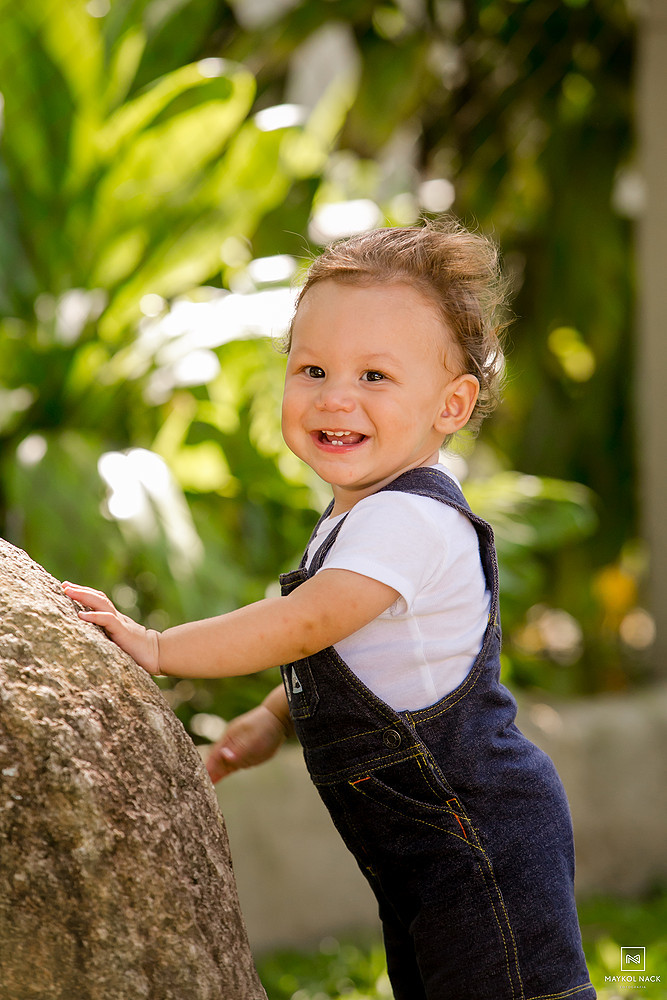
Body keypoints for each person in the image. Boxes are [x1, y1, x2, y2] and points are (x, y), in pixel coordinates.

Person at [63, 220, 596, 1000]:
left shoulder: (408, 520)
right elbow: (357, 652)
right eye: (312, 368)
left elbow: (304, 621)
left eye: (374, 376)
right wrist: (276, 717)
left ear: (451, 405)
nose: (335, 395)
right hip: (427, 847)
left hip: (477, 838)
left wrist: (157, 644)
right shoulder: (367, 514)